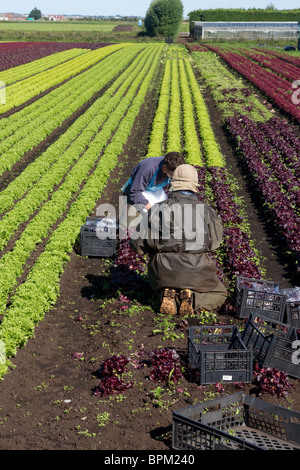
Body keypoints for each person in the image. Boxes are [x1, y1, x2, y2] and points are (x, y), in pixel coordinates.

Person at [130, 164, 227, 316]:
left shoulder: (157, 209)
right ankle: (193, 299)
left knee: (155, 287)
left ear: (172, 183)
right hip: (196, 270)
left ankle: (167, 293)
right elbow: (214, 243)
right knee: (220, 293)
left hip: (162, 270)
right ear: (194, 185)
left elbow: (137, 245)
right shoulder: (206, 211)